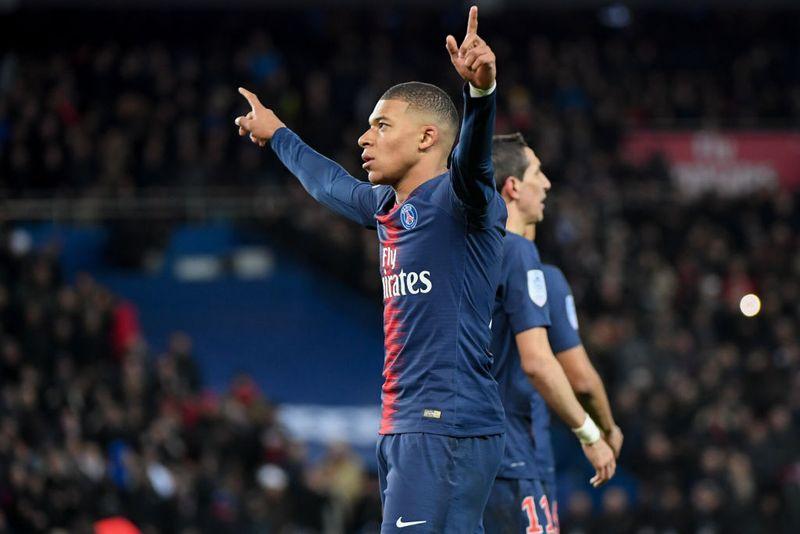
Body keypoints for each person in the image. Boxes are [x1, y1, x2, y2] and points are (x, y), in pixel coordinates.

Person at [236, 6, 508, 532]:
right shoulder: (387, 207)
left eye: (381, 125)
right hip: (417, 423)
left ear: (427, 138)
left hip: (440, 421)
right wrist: (279, 135)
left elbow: (475, 160)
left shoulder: (462, 200)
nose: (365, 138)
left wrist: (481, 94)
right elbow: (329, 184)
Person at [483, 133, 616, 533]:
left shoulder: (460, 260)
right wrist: (601, 431)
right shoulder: (533, 267)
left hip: (455, 450)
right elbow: (577, 376)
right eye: (537, 173)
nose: (547, 183)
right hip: (515, 454)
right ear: (513, 186)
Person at [530, 260, 624, 526]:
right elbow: (581, 380)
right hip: (526, 444)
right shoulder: (540, 276)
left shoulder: (469, 269)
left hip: (471, 439)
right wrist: (602, 431)